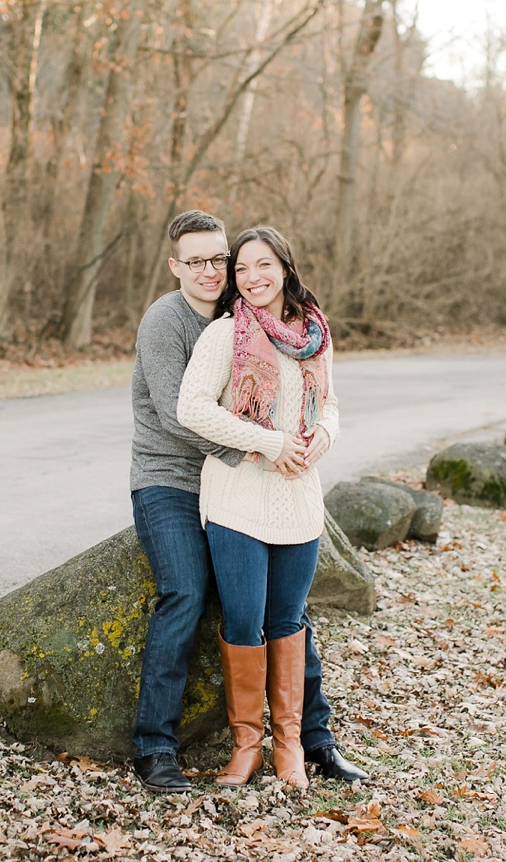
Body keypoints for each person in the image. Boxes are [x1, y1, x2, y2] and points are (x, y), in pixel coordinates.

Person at [130, 208, 367, 794]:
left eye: (221, 259)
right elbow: (176, 412)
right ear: (175, 267)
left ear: (282, 267)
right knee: (186, 593)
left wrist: (315, 441)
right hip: (176, 477)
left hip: (260, 477)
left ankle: (312, 740)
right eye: (201, 262)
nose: (214, 271)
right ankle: (156, 748)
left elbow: (325, 403)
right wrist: (264, 448)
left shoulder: (302, 328)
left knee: (290, 615)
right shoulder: (176, 324)